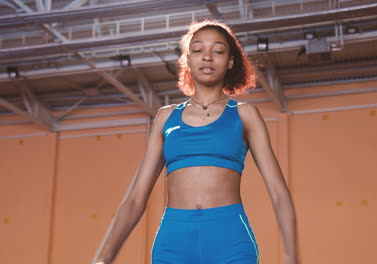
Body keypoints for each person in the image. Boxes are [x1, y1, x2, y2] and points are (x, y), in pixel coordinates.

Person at [92, 20, 299, 264]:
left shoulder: (244, 115)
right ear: (188, 60)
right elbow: (136, 198)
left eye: (218, 51)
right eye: (198, 50)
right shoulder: (166, 117)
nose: (207, 57)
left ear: (230, 61)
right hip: (174, 242)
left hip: (230, 238)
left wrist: (291, 257)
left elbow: (279, 193)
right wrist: (103, 259)